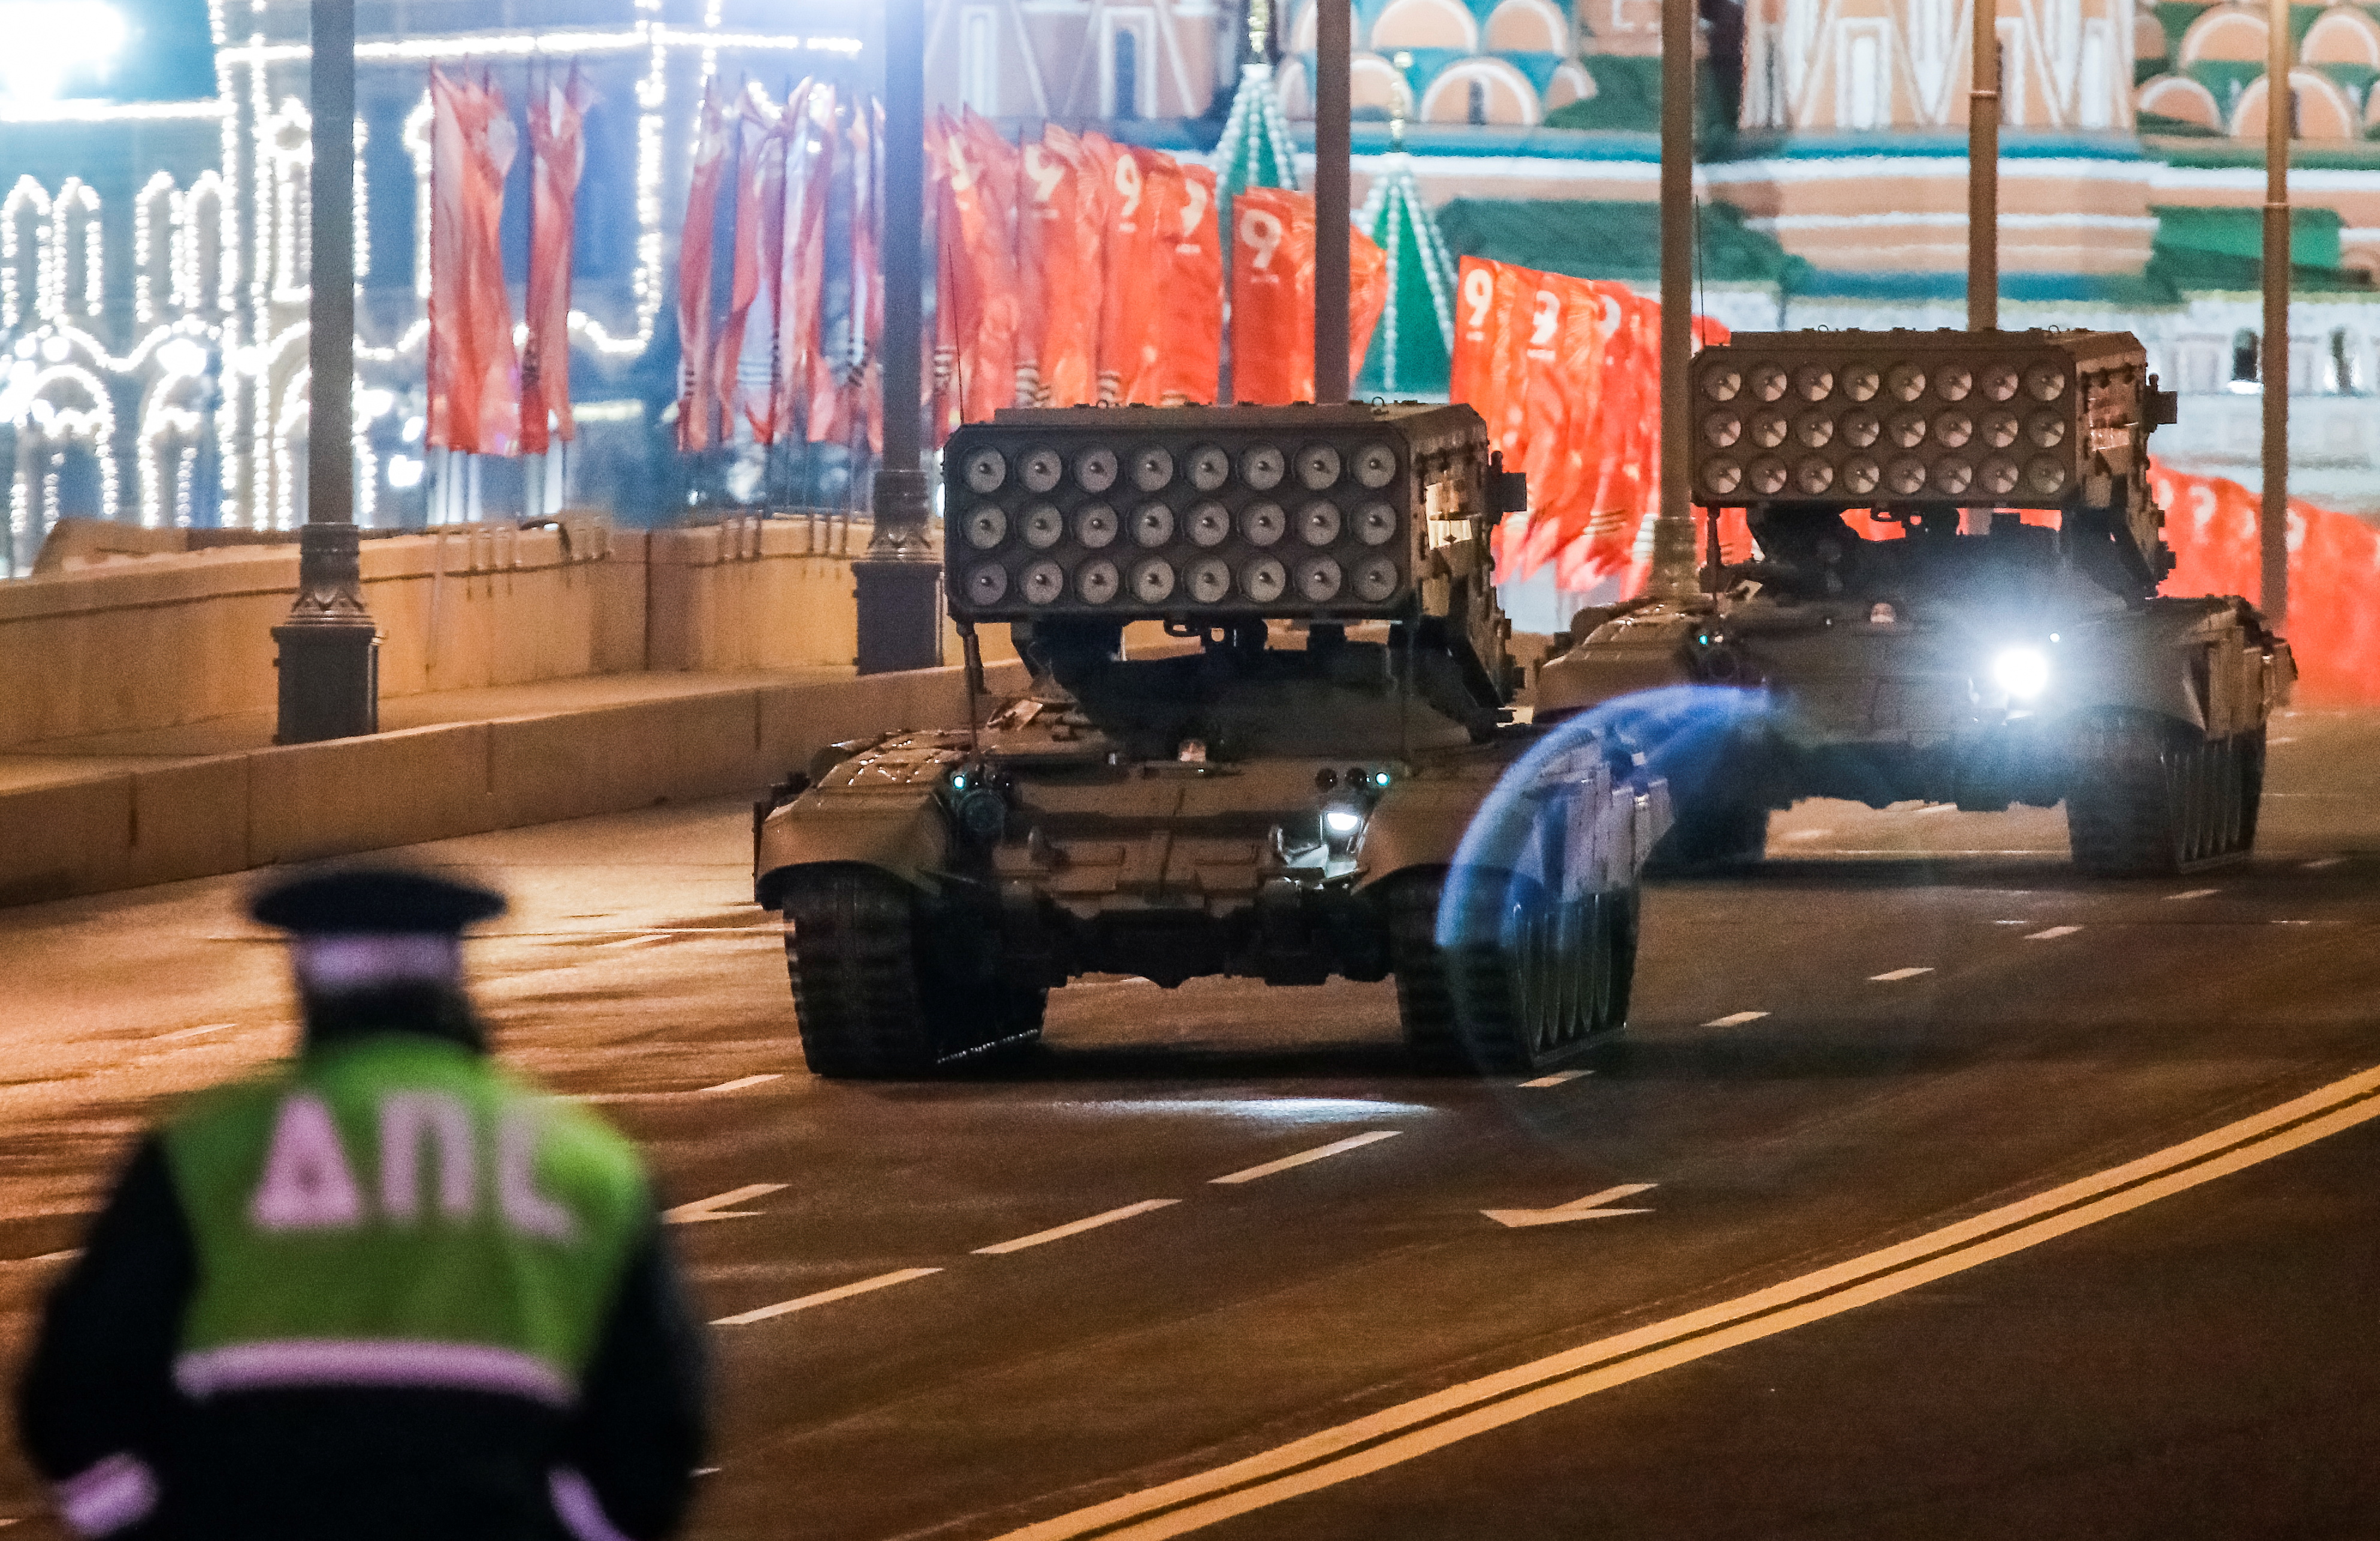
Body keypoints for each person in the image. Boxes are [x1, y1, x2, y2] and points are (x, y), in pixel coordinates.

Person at [16, 865, 709, 1540]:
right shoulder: (590, 1163)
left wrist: (151, 1524)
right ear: (454, 981)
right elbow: (656, 1427)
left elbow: (74, 1390)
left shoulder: (205, 1149)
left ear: (306, 982)